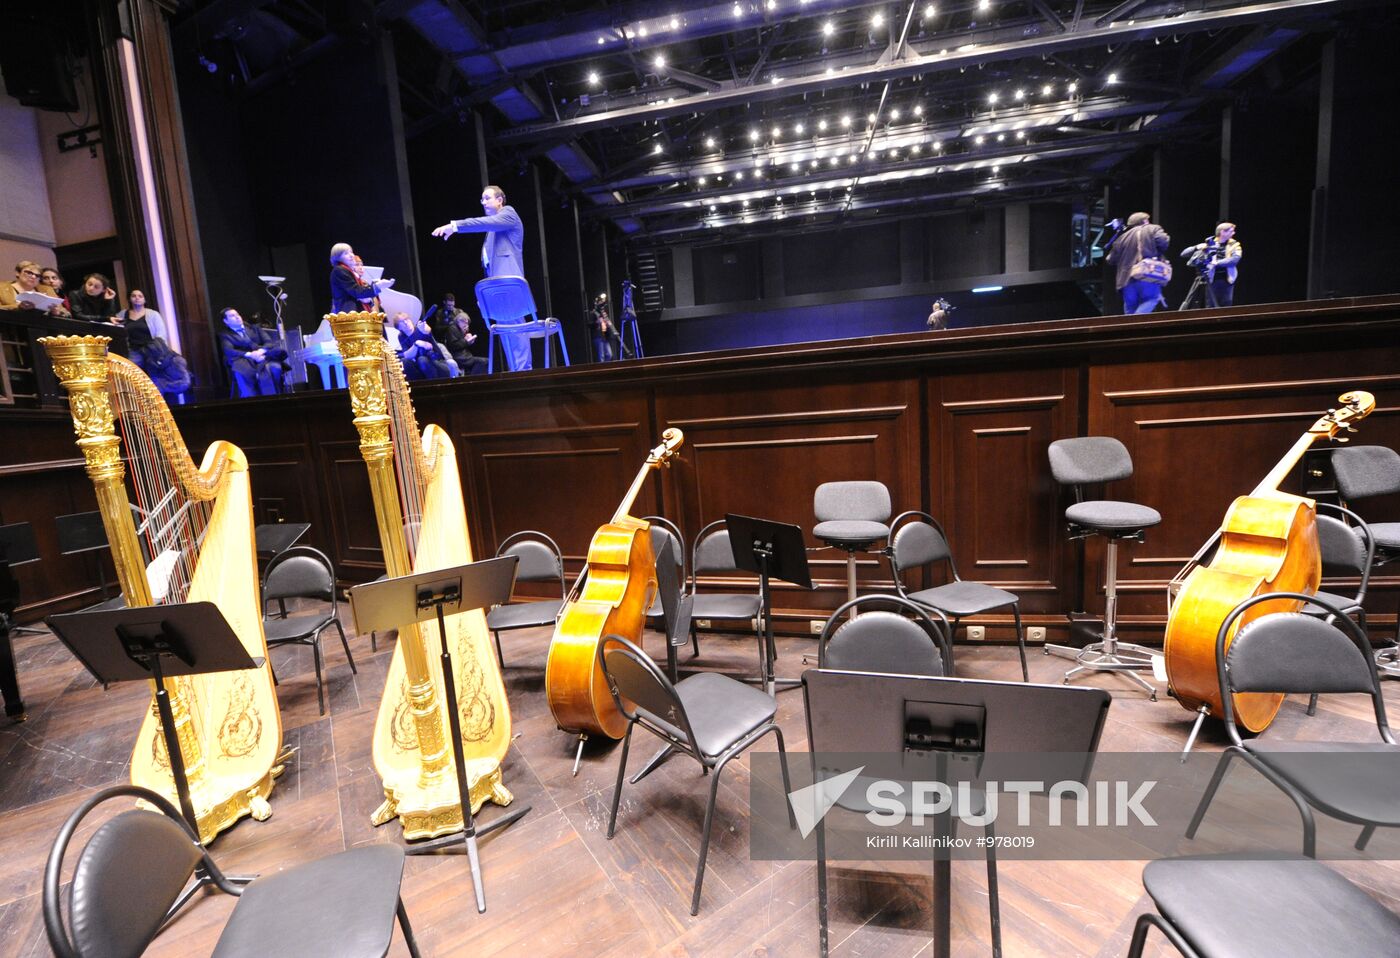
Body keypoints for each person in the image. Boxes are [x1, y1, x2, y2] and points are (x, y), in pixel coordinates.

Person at [431, 185, 532, 370]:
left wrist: (454, 226)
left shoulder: (509, 214)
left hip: (509, 285)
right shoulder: (491, 231)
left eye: (487, 198)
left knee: (515, 329)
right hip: (496, 290)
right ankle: (517, 373)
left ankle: (525, 371)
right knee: (505, 331)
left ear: (500, 200)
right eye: (482, 199)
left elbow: (480, 223)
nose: (483, 202)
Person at [113, 290, 192, 400]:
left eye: (140, 296)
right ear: (130, 299)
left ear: (144, 299)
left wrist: (155, 349)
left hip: (152, 350)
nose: (137, 298)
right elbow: (116, 331)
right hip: (133, 351)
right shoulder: (122, 314)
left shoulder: (153, 314)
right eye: (133, 296)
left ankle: (160, 402)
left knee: (157, 378)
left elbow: (161, 334)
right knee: (128, 375)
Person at [1105, 212, 1171, 314]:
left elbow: (1110, 259)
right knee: (1151, 299)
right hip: (1145, 274)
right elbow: (1163, 242)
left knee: (1130, 310)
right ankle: (1136, 322)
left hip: (1126, 280)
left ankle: (1129, 327)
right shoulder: (1152, 228)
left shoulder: (1121, 238)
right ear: (1145, 221)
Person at [218, 306, 286, 396]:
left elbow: (269, 342)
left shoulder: (255, 328)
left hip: (263, 356)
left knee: (276, 364)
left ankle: (273, 397)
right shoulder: (226, 335)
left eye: (237, 314)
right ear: (226, 321)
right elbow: (229, 351)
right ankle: (251, 399)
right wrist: (250, 354)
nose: (237, 317)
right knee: (240, 370)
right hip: (244, 359)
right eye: (232, 316)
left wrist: (260, 352)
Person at [1187, 222, 1243, 308]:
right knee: (1210, 306)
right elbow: (1184, 253)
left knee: (1226, 306)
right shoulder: (1209, 243)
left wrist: (1217, 263)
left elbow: (1235, 260)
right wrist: (1197, 247)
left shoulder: (1235, 244)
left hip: (1227, 280)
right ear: (1222, 232)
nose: (1233, 233)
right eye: (1231, 231)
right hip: (1211, 279)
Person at [430, 293, 487, 375]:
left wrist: (466, 334)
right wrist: (451, 326)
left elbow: (465, 326)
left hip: (460, 344)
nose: (451, 307)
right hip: (449, 342)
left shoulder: (459, 312)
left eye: (452, 305)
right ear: (444, 303)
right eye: (449, 305)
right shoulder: (440, 313)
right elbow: (437, 329)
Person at [328, 243, 393, 313]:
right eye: (346, 253)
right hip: (349, 316)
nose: (351, 255)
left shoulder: (347, 271)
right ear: (337, 257)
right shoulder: (340, 270)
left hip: (355, 314)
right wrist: (378, 286)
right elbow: (357, 291)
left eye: (351, 252)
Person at [389, 311, 453, 381]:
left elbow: (429, 342)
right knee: (404, 362)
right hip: (421, 367)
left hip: (436, 363)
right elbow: (408, 355)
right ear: (399, 328)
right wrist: (416, 344)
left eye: (407, 320)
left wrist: (426, 332)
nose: (406, 323)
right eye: (402, 322)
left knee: (422, 359)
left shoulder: (421, 329)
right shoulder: (401, 336)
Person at [0, 260, 66, 315]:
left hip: (41, 327)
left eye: (37, 275)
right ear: (18, 273)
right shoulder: (2, 288)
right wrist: (18, 307)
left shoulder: (47, 290)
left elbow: (66, 313)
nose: (33, 277)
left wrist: (57, 312)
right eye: (29, 273)